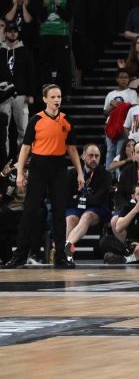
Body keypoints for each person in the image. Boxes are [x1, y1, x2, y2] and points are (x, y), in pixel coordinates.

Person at [6, 84, 84, 268]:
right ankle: (20, 256)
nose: (57, 100)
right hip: (38, 166)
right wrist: (20, 173)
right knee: (30, 211)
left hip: (59, 167)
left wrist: (80, 172)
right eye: (53, 97)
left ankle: (60, 257)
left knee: (59, 212)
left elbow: (72, 149)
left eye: (59, 96)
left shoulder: (66, 120)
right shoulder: (36, 120)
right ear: (45, 99)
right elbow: (25, 148)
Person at [62, 143, 112, 264]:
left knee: (87, 216)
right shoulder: (71, 174)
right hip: (76, 208)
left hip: (98, 210)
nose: (94, 159)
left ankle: (66, 246)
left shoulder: (105, 175)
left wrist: (78, 198)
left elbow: (98, 200)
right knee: (71, 219)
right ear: (83, 156)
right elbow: (66, 199)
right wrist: (88, 199)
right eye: (91, 155)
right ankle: (68, 256)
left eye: (97, 156)